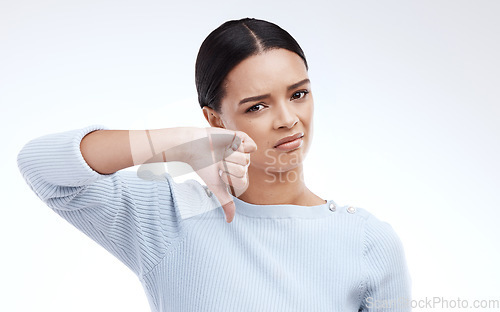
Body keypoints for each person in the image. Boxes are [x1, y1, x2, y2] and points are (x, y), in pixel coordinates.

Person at [17, 17, 412, 311]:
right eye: (257, 105)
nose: (288, 119)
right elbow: (41, 167)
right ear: (215, 120)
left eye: (298, 94)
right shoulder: (168, 218)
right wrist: (180, 144)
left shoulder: (367, 241)